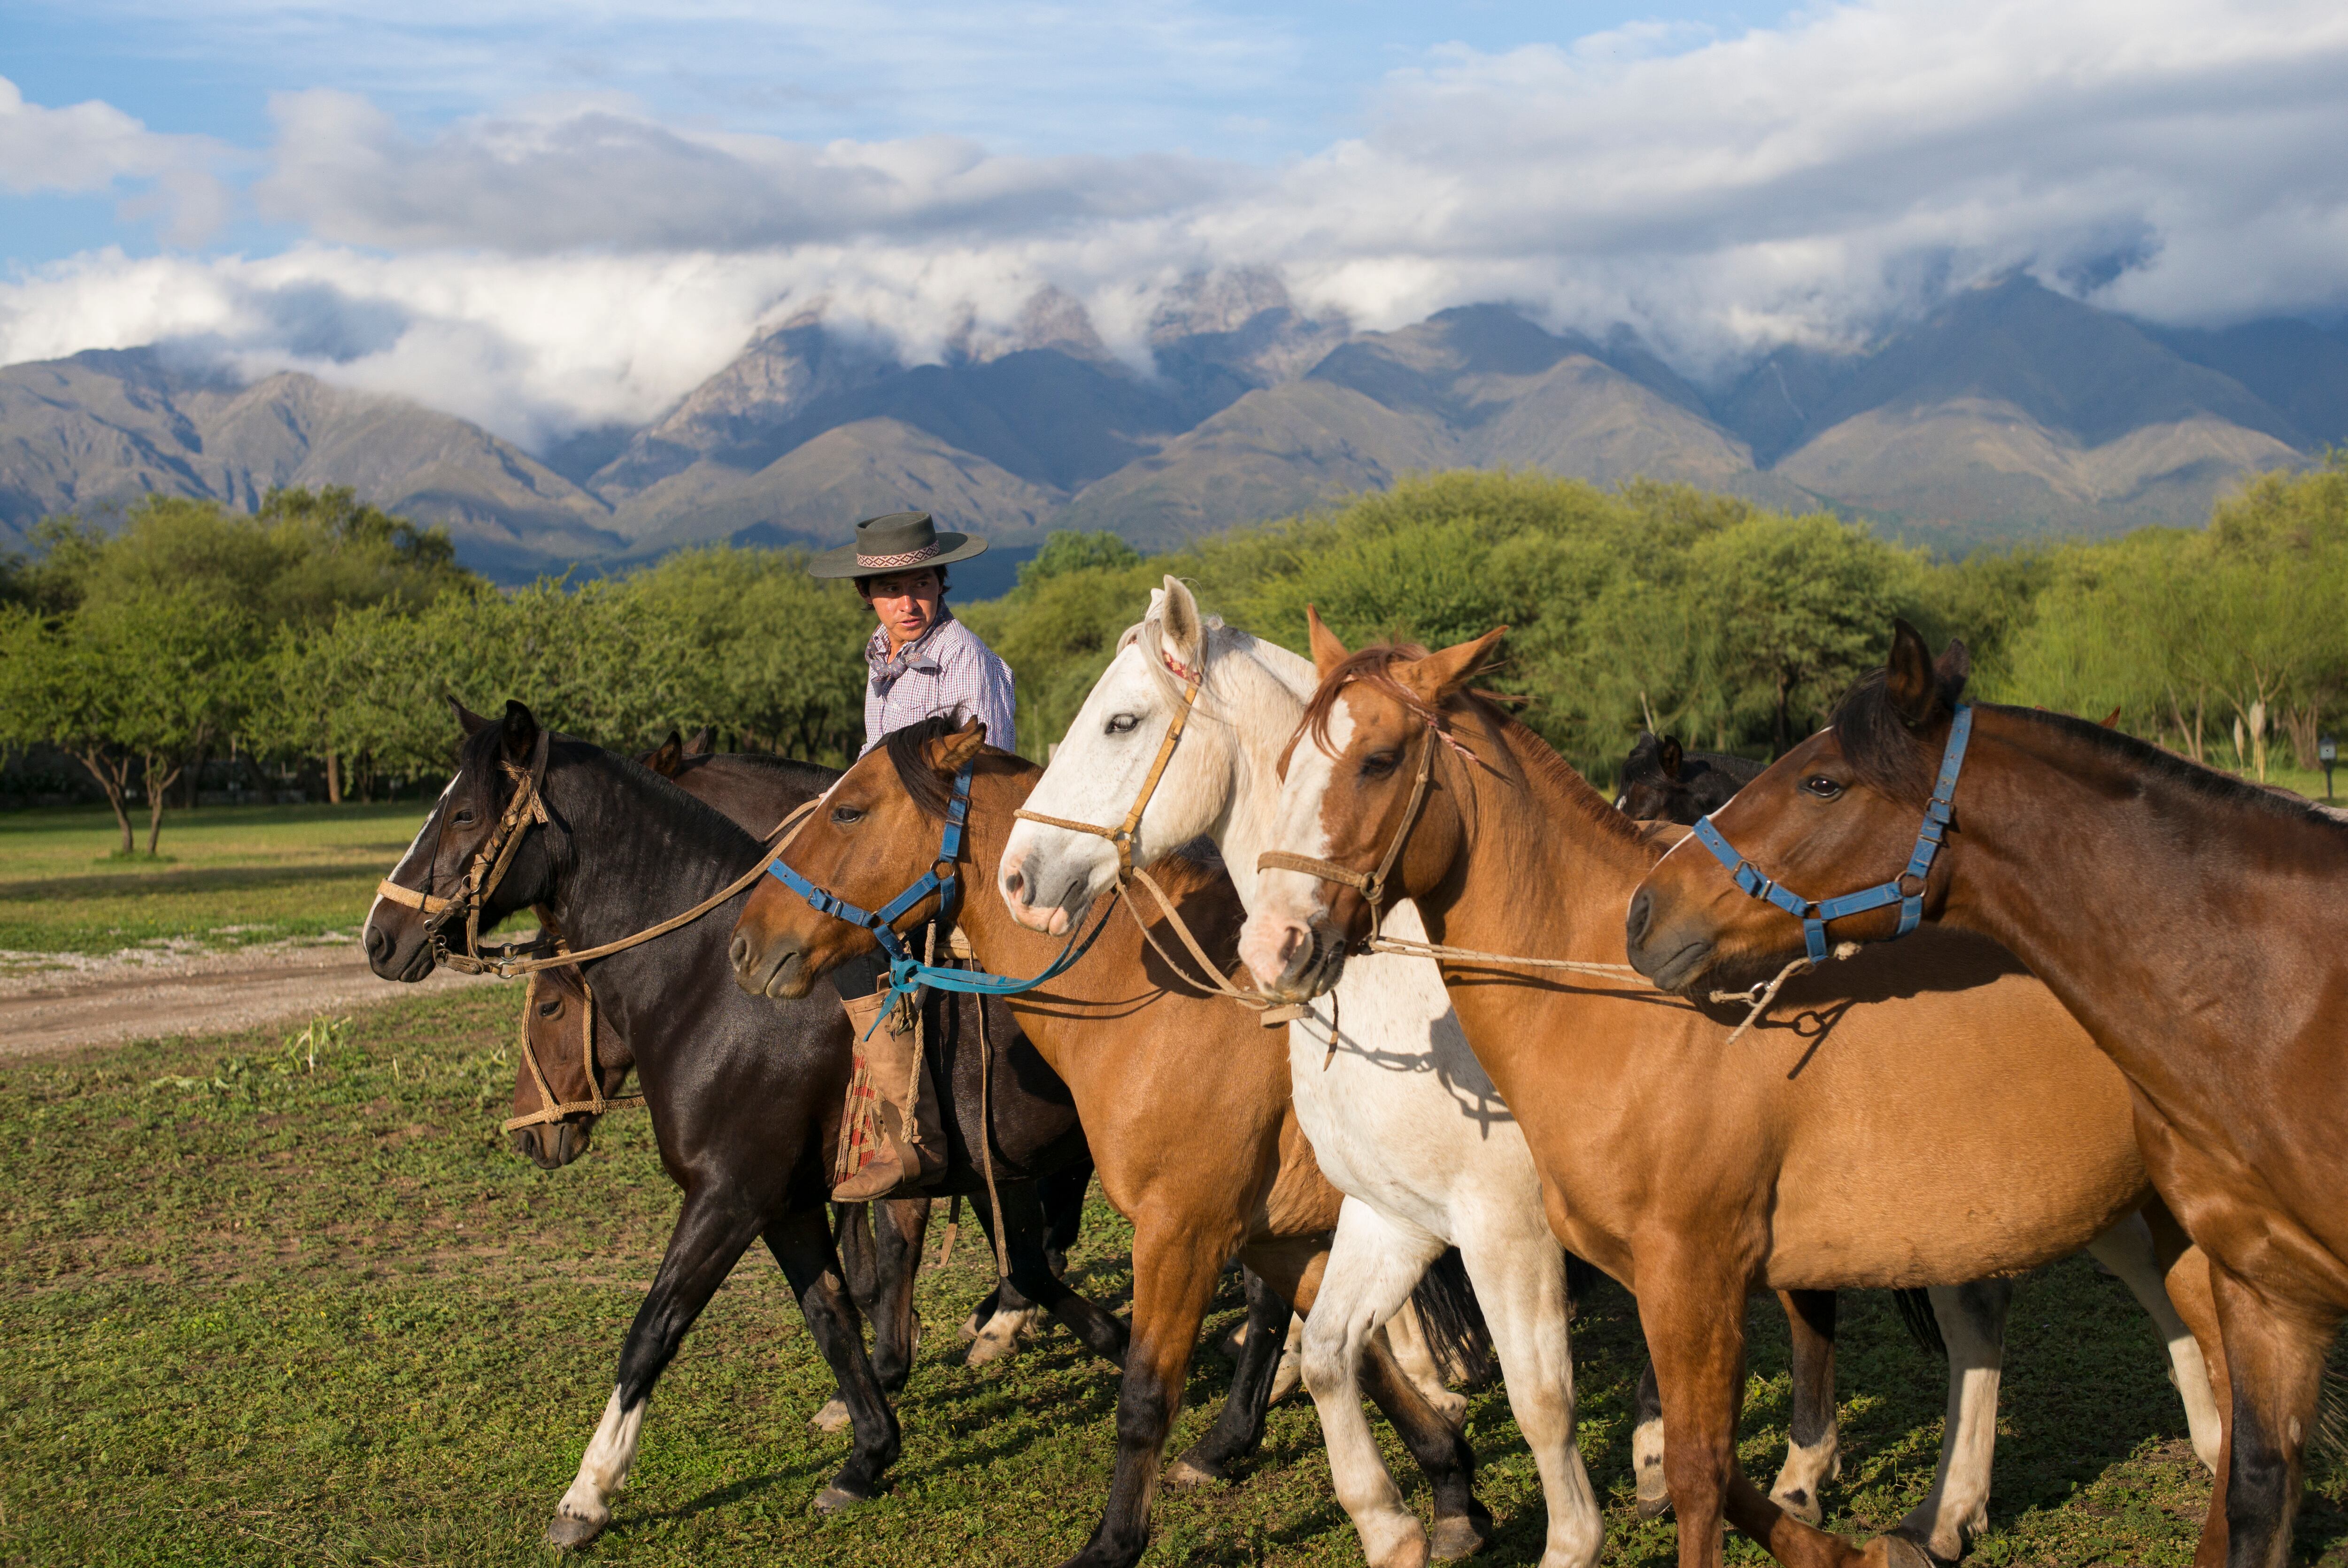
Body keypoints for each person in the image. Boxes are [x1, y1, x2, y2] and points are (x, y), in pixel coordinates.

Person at [807, 510, 1017, 1200]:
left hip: (958, 853)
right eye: (891, 589)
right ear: (867, 594)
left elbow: (986, 782)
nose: (908, 602)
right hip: (900, 849)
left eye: (921, 584)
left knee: (857, 944)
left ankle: (912, 1140)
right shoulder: (881, 661)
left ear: (940, 581)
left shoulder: (967, 663)